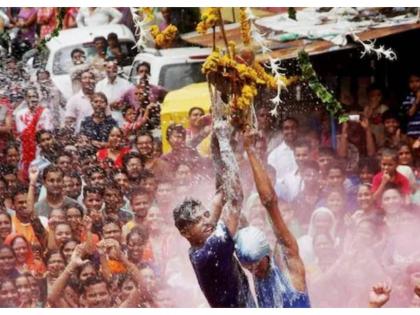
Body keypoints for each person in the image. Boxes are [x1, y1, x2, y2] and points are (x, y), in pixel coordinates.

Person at [173, 120, 255, 308]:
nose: (206, 221)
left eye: (205, 215)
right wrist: (225, 142)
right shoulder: (209, 251)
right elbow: (235, 198)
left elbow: (220, 194)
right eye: (198, 220)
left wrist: (215, 146)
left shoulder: (201, 242)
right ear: (185, 232)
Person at [235, 128, 310, 307]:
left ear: (265, 252)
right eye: (249, 267)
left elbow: (269, 202)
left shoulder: (290, 266)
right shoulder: (251, 262)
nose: (254, 271)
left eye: (257, 265)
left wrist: (250, 151)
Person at [268, 117, 299, 183]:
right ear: (282, 131)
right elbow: (272, 179)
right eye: (286, 128)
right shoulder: (274, 155)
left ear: (298, 130)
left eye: (293, 128)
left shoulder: (306, 151)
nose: (290, 131)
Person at [401, 71, 420, 139]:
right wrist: (418, 99)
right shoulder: (408, 98)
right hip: (413, 133)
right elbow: (410, 113)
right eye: (411, 82)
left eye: (417, 81)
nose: (414, 84)